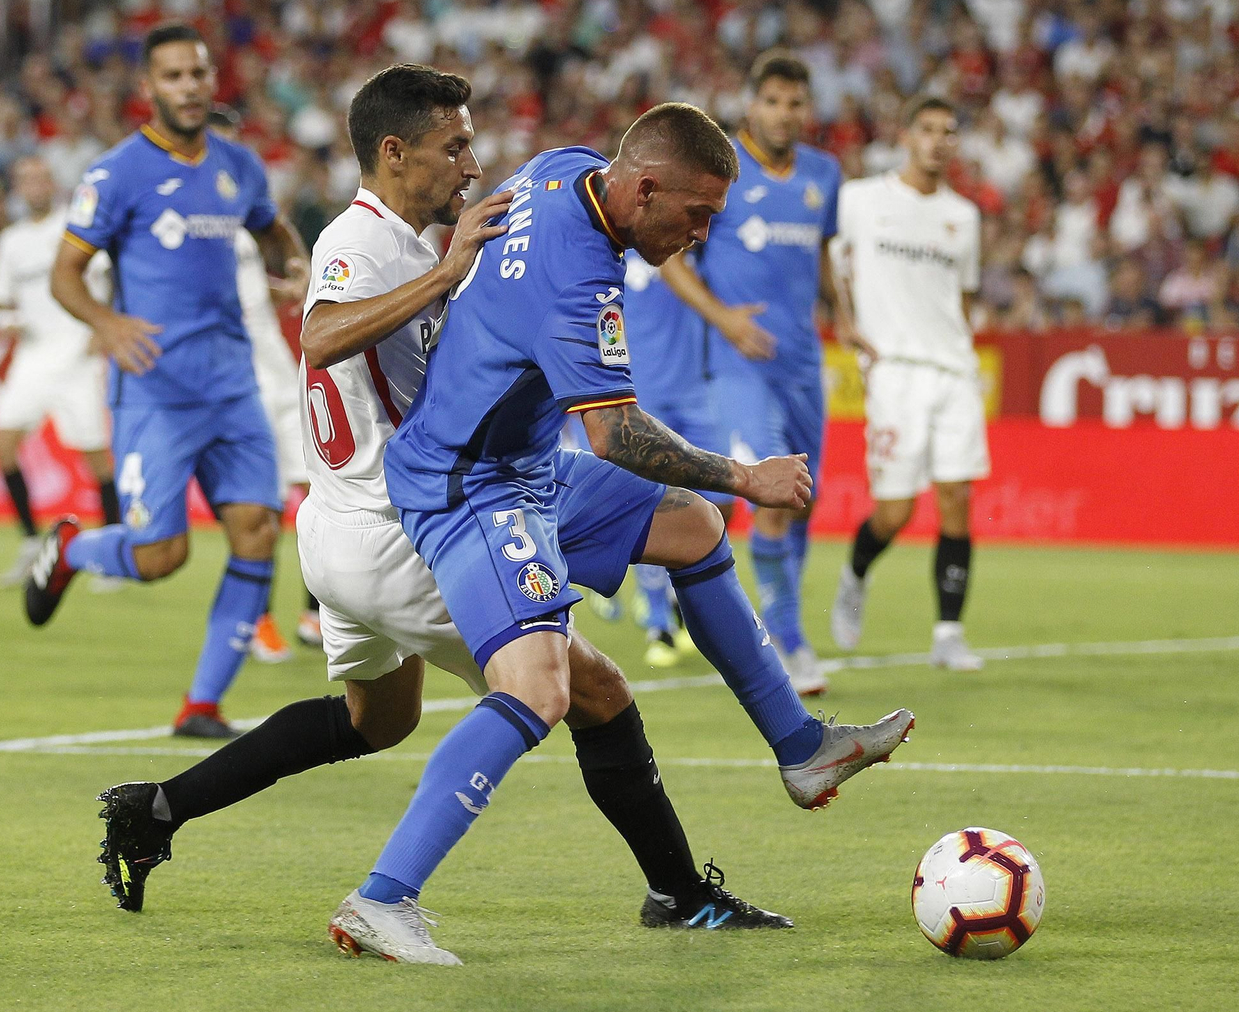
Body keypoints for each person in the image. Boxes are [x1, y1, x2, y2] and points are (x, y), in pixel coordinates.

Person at [94, 65, 790, 938]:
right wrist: (447, 272)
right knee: (591, 690)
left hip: (346, 525)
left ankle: (152, 811)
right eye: (451, 145)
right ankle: (674, 896)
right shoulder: (364, 240)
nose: (469, 163)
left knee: (376, 720)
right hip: (403, 526)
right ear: (394, 152)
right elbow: (319, 335)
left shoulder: (418, 237)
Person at [332, 103, 914, 964]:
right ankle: (381, 899)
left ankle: (802, 750)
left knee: (692, 529)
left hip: (521, 462)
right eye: (696, 215)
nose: (702, 235)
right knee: (539, 688)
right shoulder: (577, 273)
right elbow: (615, 435)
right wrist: (747, 473)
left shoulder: (565, 166)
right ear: (644, 189)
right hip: (468, 483)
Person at [26, 24, 310, 738]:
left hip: (233, 384)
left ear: (213, 82)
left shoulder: (238, 167)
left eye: (199, 73)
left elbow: (271, 230)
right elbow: (66, 273)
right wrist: (107, 322)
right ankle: (68, 549)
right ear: (148, 89)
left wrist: (295, 264)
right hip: (155, 389)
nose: (189, 86)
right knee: (161, 555)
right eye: (174, 76)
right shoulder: (117, 172)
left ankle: (202, 704)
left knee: (257, 528)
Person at [658, 51, 844, 696]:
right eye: (772, 101)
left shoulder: (825, 174)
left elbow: (822, 257)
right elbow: (671, 260)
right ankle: (788, 639)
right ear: (750, 105)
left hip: (802, 362)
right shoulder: (720, 174)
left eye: (795, 102)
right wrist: (724, 318)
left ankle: (749, 609)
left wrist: (845, 313)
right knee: (772, 490)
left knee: (803, 499)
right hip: (739, 367)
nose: (784, 114)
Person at [828, 96, 988, 672]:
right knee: (894, 511)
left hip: (954, 371)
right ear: (906, 135)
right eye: (928, 129)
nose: (940, 141)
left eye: (950, 131)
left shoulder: (964, 217)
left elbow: (963, 298)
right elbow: (831, 258)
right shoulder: (861, 200)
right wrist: (843, 316)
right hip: (894, 371)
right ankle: (856, 573)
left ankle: (949, 632)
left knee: (956, 498)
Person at [205, 106, 317, 663]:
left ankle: (315, 615)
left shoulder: (240, 233)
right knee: (263, 511)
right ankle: (258, 621)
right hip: (241, 383)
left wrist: (284, 287)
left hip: (280, 375)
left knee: (323, 495)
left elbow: (248, 294)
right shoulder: (188, 234)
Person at [0, 155, 121, 586]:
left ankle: (114, 551)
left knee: (95, 457)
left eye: (40, 176)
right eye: (25, 179)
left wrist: (103, 327)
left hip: (76, 354)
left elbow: (112, 277)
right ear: (17, 188)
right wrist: (5, 320)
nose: (34, 185)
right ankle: (30, 541)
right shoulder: (11, 241)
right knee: (2, 445)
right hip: (32, 355)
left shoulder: (74, 225)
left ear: (52, 182)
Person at [619, 248, 724, 667]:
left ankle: (678, 600)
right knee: (651, 507)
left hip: (699, 395)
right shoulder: (614, 254)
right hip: (642, 397)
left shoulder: (699, 253)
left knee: (716, 509)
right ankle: (658, 622)